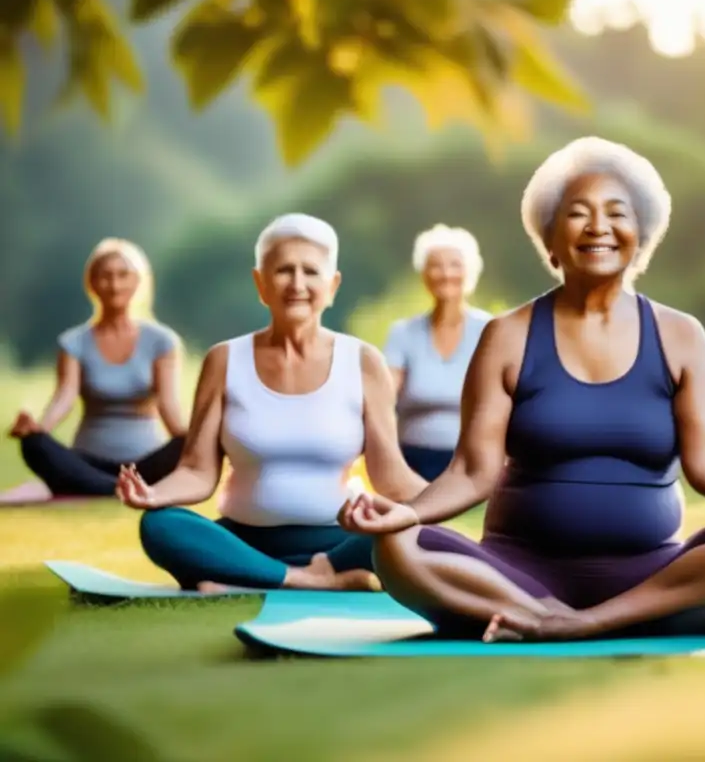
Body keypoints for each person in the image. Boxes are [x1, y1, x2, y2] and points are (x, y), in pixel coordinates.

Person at [339, 137, 705, 642]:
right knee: (396, 546)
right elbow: (471, 470)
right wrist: (408, 511)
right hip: (516, 576)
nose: (598, 226)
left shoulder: (680, 335)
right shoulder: (507, 335)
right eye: (578, 213)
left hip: (649, 573)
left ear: (641, 237)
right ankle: (542, 612)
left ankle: (582, 623)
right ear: (550, 242)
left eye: (616, 213)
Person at [115, 214, 428, 592]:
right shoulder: (224, 360)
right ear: (260, 283)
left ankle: (244, 579)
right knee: (160, 525)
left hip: (339, 542)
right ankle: (300, 580)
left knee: (412, 529)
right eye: (283, 271)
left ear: (332, 286)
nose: (297, 284)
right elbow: (198, 470)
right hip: (242, 541)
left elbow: (390, 476)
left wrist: (448, 498)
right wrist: (153, 494)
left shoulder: (363, 361)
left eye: (310, 272)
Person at [3, 239, 187, 502]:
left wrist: (192, 439)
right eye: (105, 276)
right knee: (34, 444)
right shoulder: (73, 341)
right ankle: (114, 489)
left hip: (146, 466)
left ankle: (112, 488)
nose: (114, 285)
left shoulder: (162, 341)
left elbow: (169, 406)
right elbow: (64, 396)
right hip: (86, 464)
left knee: (191, 442)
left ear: (138, 281)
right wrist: (38, 429)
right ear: (92, 283)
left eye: (123, 275)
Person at [384, 224, 492, 481]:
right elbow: (384, 398)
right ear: (424, 275)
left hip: (472, 463)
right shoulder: (403, 333)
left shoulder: (490, 329)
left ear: (470, 272)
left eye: (454, 265)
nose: (445, 274)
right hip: (411, 460)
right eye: (436, 265)